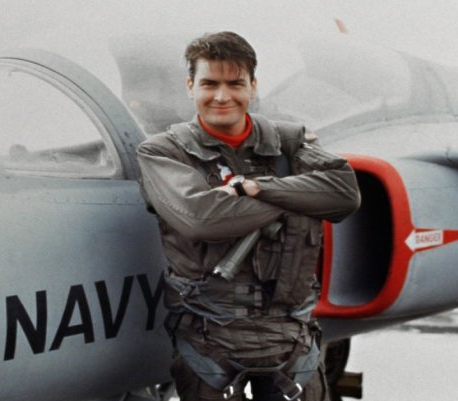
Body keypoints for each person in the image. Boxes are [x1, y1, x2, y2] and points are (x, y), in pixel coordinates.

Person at [136, 31, 361, 401]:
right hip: (210, 338)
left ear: (253, 86)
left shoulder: (290, 143)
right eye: (210, 83)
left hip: (292, 335)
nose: (222, 96)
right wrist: (300, 196)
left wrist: (258, 188)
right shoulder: (162, 152)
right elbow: (202, 218)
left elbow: (345, 194)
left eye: (235, 84)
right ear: (190, 86)